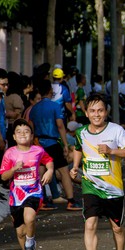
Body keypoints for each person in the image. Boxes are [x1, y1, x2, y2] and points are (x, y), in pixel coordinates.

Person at [70, 93, 125, 250]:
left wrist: (111, 151)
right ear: (86, 113)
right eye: (92, 111)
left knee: (117, 228)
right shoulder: (81, 132)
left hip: (113, 188)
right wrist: (75, 167)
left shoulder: (116, 131)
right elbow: (78, 148)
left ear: (106, 112)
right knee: (90, 224)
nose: (96, 114)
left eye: (100, 110)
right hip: (90, 186)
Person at [0, 119, 54, 250]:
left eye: (26, 131)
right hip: (16, 196)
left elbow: (48, 160)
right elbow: (3, 177)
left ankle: (31, 243)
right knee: (20, 232)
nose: (23, 134)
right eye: (19, 131)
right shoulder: (10, 153)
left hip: (34, 191)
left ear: (31, 135)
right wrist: (15, 168)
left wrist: (49, 170)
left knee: (29, 218)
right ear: (14, 137)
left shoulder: (38, 150)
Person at [29, 80, 82, 211]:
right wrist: (65, 143)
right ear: (49, 91)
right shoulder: (54, 106)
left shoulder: (34, 108)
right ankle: (71, 201)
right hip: (52, 143)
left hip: (39, 143)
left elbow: (31, 127)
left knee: (40, 171)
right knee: (63, 171)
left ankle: (42, 201)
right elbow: (60, 125)